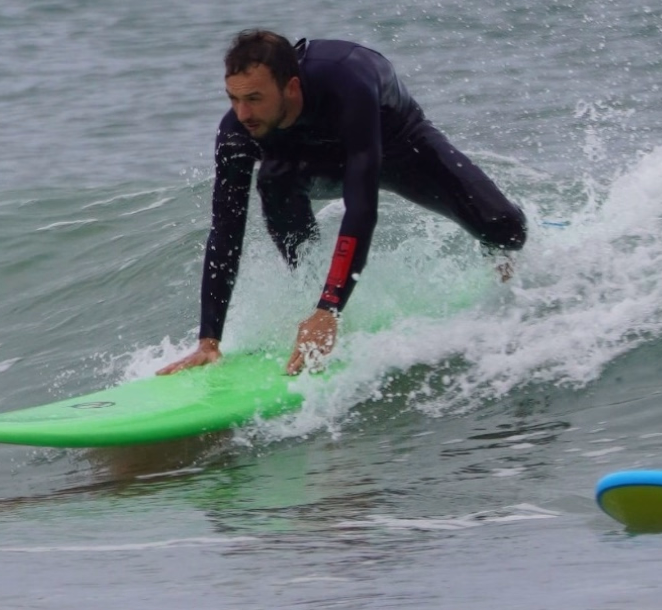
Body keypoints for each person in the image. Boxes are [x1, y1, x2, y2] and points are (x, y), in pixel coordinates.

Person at [158, 30, 527, 378]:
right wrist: (209, 340)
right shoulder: (238, 132)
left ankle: (329, 311)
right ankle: (316, 306)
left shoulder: (346, 81)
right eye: (233, 99)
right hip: (313, 162)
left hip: (400, 149)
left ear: (291, 87)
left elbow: (361, 207)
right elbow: (225, 230)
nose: (243, 114)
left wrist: (329, 309)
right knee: (273, 181)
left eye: (254, 98)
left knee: (506, 228)